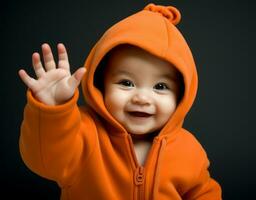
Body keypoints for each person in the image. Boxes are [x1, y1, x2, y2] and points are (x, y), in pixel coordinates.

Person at [18, 3, 222, 200]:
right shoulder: (82, 133)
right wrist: (53, 111)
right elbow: (45, 161)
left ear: (181, 96)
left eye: (160, 87)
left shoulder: (189, 149)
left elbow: (203, 193)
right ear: (101, 85)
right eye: (126, 83)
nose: (141, 98)